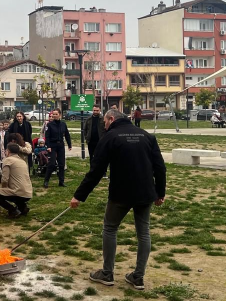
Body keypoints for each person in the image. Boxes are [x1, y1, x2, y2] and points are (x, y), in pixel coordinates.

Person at [70, 110, 167, 291]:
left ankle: (107, 273)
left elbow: (96, 171)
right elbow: (160, 168)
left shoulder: (109, 137)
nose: (104, 126)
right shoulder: (147, 136)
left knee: (110, 228)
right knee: (143, 232)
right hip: (145, 193)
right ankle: (138, 277)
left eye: (105, 122)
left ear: (111, 119)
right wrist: (160, 192)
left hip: (120, 193)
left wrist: (79, 196)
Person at [0, 142, 33, 218]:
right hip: (28, 192)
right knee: (16, 189)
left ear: (8, 151)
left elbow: (4, 179)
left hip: (18, 192)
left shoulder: (8, 160)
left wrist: (3, 188)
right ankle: (23, 208)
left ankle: (13, 210)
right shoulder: (22, 161)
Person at [44, 109, 72, 188]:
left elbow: (67, 134)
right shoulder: (49, 125)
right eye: (53, 114)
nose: (54, 116)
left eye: (56, 114)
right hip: (52, 145)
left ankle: (61, 181)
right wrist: (48, 146)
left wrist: (69, 144)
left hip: (60, 145)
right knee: (51, 164)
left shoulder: (63, 124)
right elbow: (47, 136)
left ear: (59, 115)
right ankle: (46, 181)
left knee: (61, 164)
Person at [84, 106, 106, 171]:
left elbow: (106, 129)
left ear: (100, 110)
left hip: (100, 141)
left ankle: (102, 171)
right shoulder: (88, 119)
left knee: (101, 156)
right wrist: (86, 137)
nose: (95, 112)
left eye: (97, 110)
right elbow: (85, 130)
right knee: (91, 156)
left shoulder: (103, 119)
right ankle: (92, 170)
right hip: (91, 141)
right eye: (94, 110)